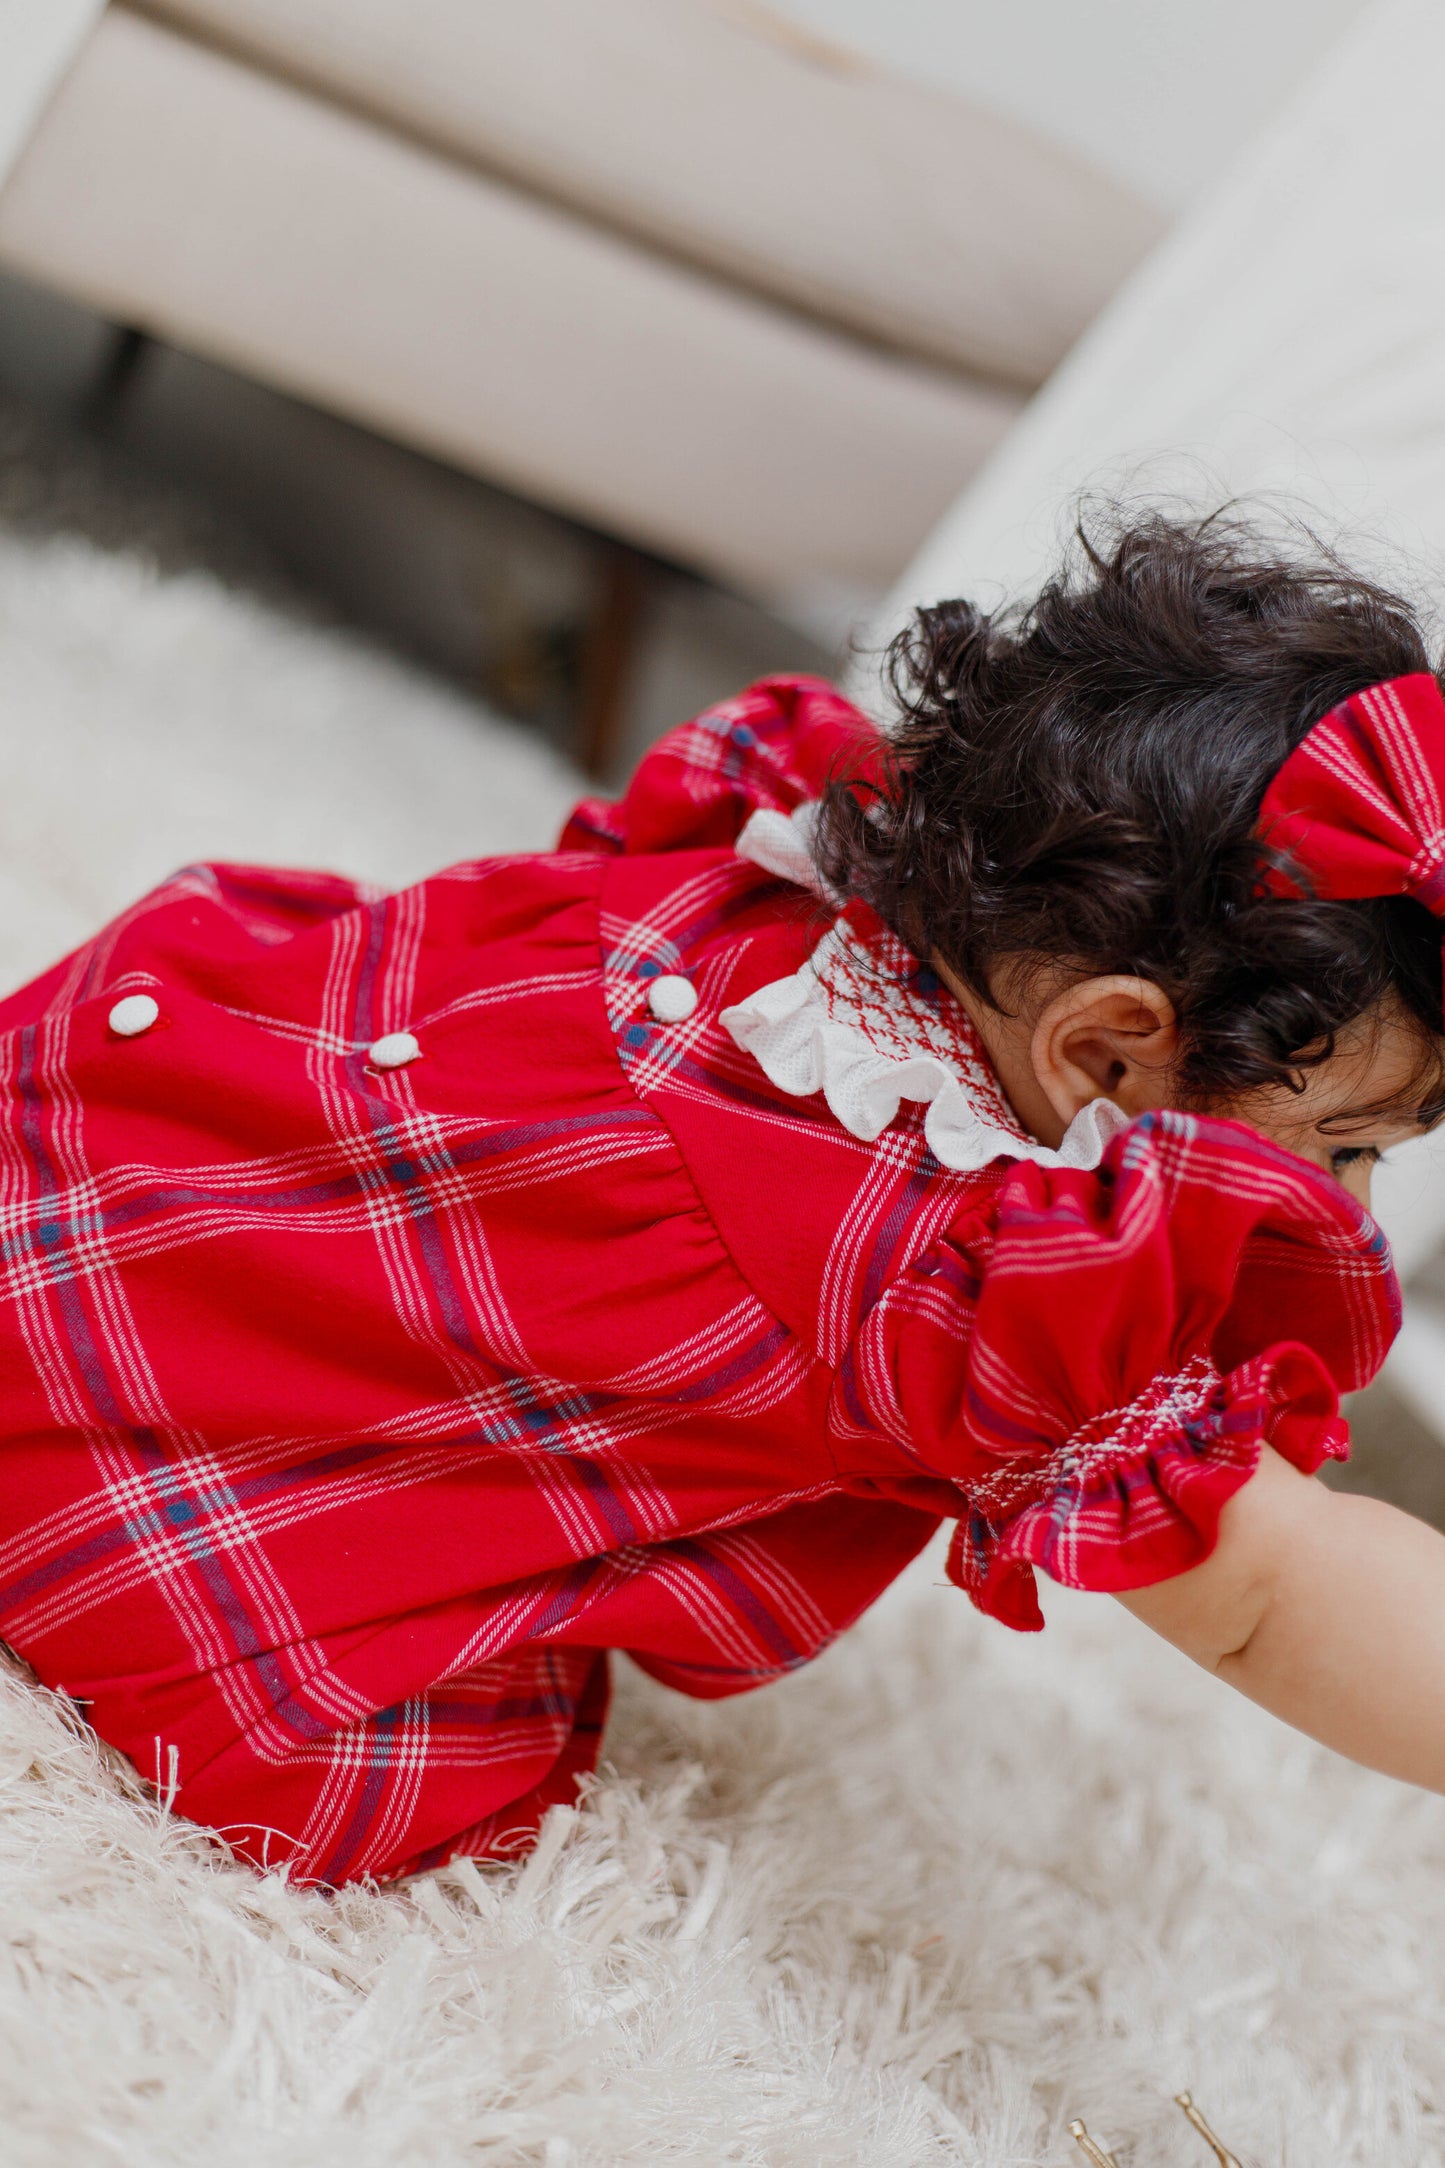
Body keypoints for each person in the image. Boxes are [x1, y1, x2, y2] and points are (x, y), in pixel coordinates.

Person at [1, 510, 1443, 1888]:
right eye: (1343, 1148)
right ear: (1103, 1052)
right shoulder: (976, 1276)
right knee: (409, 1786)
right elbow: (1271, 1593)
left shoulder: (790, 848)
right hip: (142, 1463)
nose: (1355, 1212)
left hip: (113, 1146)